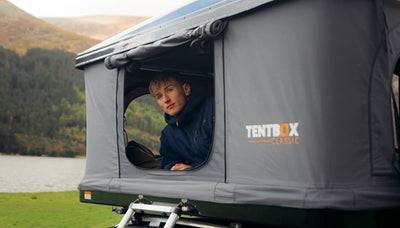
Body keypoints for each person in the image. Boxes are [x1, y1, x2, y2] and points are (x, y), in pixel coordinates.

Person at [148, 72, 213, 171]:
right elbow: (168, 162)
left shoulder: (212, 108)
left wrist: (193, 169)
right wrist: (172, 167)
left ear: (186, 89)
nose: (166, 99)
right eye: (159, 96)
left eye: (170, 90)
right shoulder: (168, 135)